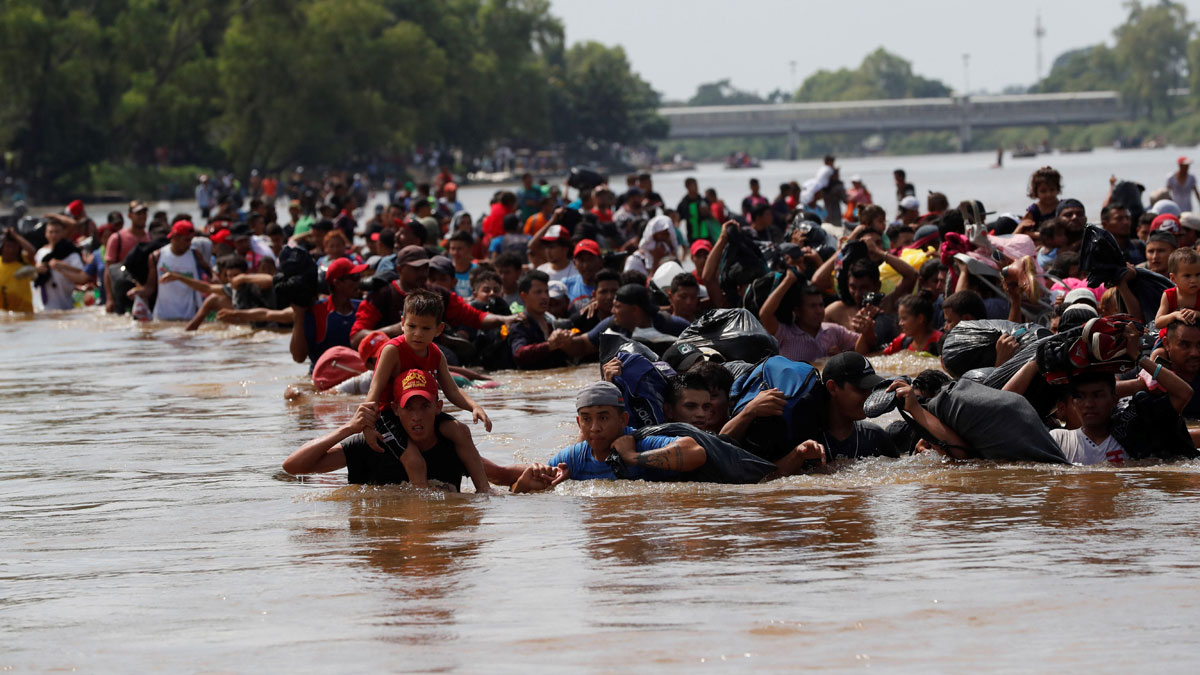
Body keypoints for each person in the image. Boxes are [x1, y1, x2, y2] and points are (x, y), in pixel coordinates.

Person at [282, 371, 492, 492]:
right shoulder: (375, 444)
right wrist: (348, 428)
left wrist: (522, 481)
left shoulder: (455, 448)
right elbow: (293, 466)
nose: (416, 416)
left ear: (438, 408)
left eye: (424, 406)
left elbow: (500, 477)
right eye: (408, 408)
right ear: (395, 410)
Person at [365, 289, 493, 440]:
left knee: (462, 431)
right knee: (413, 460)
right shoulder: (392, 351)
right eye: (412, 326)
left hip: (423, 414)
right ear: (402, 323)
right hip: (390, 414)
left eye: (425, 328)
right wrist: (367, 427)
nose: (418, 333)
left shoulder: (437, 354)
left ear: (438, 329)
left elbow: (452, 390)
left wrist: (474, 407)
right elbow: (374, 393)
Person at [350, 245, 515, 348]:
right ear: (400, 270)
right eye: (416, 268)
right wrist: (393, 331)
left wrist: (505, 319)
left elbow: (474, 317)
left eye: (424, 268)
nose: (422, 273)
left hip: (433, 356)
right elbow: (356, 337)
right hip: (390, 355)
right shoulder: (382, 295)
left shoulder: (439, 294)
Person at [559, 283, 690, 360]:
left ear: (634, 310)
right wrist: (566, 341)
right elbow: (583, 345)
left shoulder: (673, 326)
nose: (612, 311)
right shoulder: (612, 325)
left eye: (617, 306)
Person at [758, 270, 858, 362]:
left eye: (821, 305)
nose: (819, 311)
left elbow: (861, 345)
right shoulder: (784, 334)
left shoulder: (834, 331)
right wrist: (788, 280)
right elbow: (765, 314)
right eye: (812, 306)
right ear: (797, 310)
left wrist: (842, 358)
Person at [818, 352, 899, 460]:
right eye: (861, 389)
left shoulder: (875, 437)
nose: (869, 397)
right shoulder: (805, 439)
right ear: (833, 388)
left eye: (871, 389)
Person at [509, 270, 569, 369]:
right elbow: (518, 353)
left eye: (546, 291)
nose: (544, 297)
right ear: (524, 296)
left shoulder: (552, 322)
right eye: (538, 292)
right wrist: (549, 346)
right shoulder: (520, 323)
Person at [104, 201, 150, 313]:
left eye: (144, 213)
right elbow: (108, 270)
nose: (142, 216)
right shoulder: (117, 238)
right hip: (122, 291)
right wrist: (109, 298)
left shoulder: (150, 238)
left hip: (144, 292)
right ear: (129, 215)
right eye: (138, 213)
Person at [34, 219, 89, 311]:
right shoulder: (41, 253)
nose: (54, 235)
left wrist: (62, 267)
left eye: (57, 232)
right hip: (44, 307)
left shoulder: (71, 253)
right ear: (46, 234)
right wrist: (37, 269)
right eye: (51, 232)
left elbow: (82, 276)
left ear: (63, 233)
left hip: (65, 305)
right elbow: (33, 277)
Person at [864, 293, 942, 356]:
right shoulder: (902, 341)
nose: (900, 323)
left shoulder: (940, 342)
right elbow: (877, 359)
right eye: (900, 318)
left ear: (920, 318)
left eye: (904, 318)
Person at [1155, 248, 1200, 338]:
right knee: (1158, 352)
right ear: (1173, 278)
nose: (1194, 280)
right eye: (1187, 276)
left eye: (1198, 275)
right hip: (1172, 339)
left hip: (1196, 339)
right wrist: (1174, 315)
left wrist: (1198, 314)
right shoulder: (1169, 295)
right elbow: (1158, 323)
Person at [0, 228, 36, 312]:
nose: (11, 250)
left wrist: (15, 235)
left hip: (24, 313)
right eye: (8, 246)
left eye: (15, 247)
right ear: (2, 248)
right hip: (3, 315)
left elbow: (32, 251)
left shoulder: (24, 262)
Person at [1018, 166, 1062, 230]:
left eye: (1052, 190)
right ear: (1036, 192)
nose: (1048, 194)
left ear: (1057, 189)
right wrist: (1041, 235)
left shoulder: (1063, 207)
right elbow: (1022, 231)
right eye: (1043, 191)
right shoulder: (1034, 210)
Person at [446, 231, 476, 298]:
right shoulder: (445, 271)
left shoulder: (478, 271)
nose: (455, 253)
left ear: (470, 249)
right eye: (453, 248)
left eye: (460, 249)